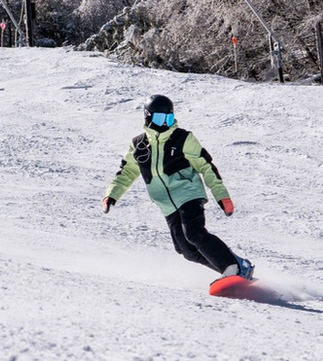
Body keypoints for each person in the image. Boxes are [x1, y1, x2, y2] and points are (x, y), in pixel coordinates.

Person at [101, 94, 255, 279]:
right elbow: (126, 173)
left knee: (194, 233)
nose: (165, 123)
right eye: (160, 118)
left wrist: (222, 196)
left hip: (188, 193)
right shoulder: (138, 144)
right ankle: (235, 267)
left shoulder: (183, 138)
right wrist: (111, 195)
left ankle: (231, 267)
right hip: (166, 204)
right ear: (148, 116)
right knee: (186, 251)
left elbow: (206, 166)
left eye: (169, 118)